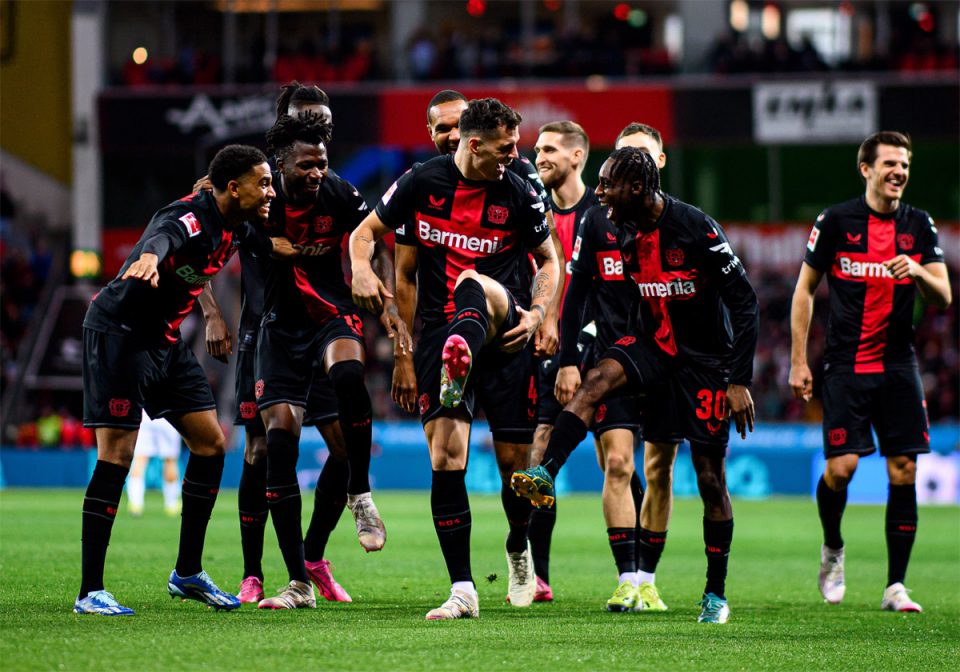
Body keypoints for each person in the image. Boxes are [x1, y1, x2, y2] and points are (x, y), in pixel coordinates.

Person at [512, 146, 759, 624]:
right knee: (596, 379)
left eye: (608, 184)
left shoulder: (697, 228)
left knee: (710, 480)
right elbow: (586, 288)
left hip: (704, 361)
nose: (600, 192)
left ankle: (715, 592)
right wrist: (572, 356)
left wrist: (738, 379)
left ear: (639, 188)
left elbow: (745, 302)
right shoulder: (614, 226)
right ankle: (546, 472)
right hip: (651, 345)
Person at [350, 98, 559, 620]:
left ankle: (517, 543)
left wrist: (537, 314)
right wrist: (361, 269)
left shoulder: (520, 188)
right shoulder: (421, 182)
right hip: (437, 333)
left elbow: (550, 261)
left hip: (505, 329)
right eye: (505, 147)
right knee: (445, 457)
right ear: (474, 144)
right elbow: (364, 234)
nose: (514, 154)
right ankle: (463, 588)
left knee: (515, 467)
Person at [76, 144, 296, 616]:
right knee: (117, 454)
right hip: (119, 335)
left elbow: (275, 248)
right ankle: (89, 591)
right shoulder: (191, 217)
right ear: (233, 187)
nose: (271, 191)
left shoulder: (239, 225)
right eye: (263, 183)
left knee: (210, 444)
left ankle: (188, 571)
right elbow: (164, 236)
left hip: (164, 340)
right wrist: (149, 257)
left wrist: (334, 249)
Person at [197, 83, 368, 606]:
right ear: (284, 123)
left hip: (320, 326)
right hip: (262, 330)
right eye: (308, 119)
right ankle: (253, 572)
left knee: (344, 445)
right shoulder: (250, 181)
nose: (320, 128)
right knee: (260, 448)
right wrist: (212, 313)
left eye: (326, 122)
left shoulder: (332, 187)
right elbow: (195, 238)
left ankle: (311, 557)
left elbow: (371, 234)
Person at [788, 131, 951, 613]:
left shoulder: (919, 225)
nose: (899, 172)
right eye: (890, 164)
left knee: (904, 469)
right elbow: (804, 290)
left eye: (905, 164)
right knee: (842, 469)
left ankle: (895, 585)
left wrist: (918, 272)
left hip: (899, 364)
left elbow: (944, 296)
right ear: (866, 169)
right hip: (846, 364)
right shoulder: (836, 221)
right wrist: (798, 359)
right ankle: (833, 547)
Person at [252, 112, 407, 610]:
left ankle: (360, 494)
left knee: (349, 374)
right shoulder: (261, 194)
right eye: (306, 164)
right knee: (280, 441)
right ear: (281, 164)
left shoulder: (339, 192)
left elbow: (375, 240)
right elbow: (215, 218)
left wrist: (381, 295)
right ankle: (298, 581)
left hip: (331, 314)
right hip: (280, 327)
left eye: (321, 162)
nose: (317, 172)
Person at [127, 411, 182, 517]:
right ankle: (171, 504)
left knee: (140, 458)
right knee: (170, 460)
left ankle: (135, 503)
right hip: (168, 415)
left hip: (146, 415)